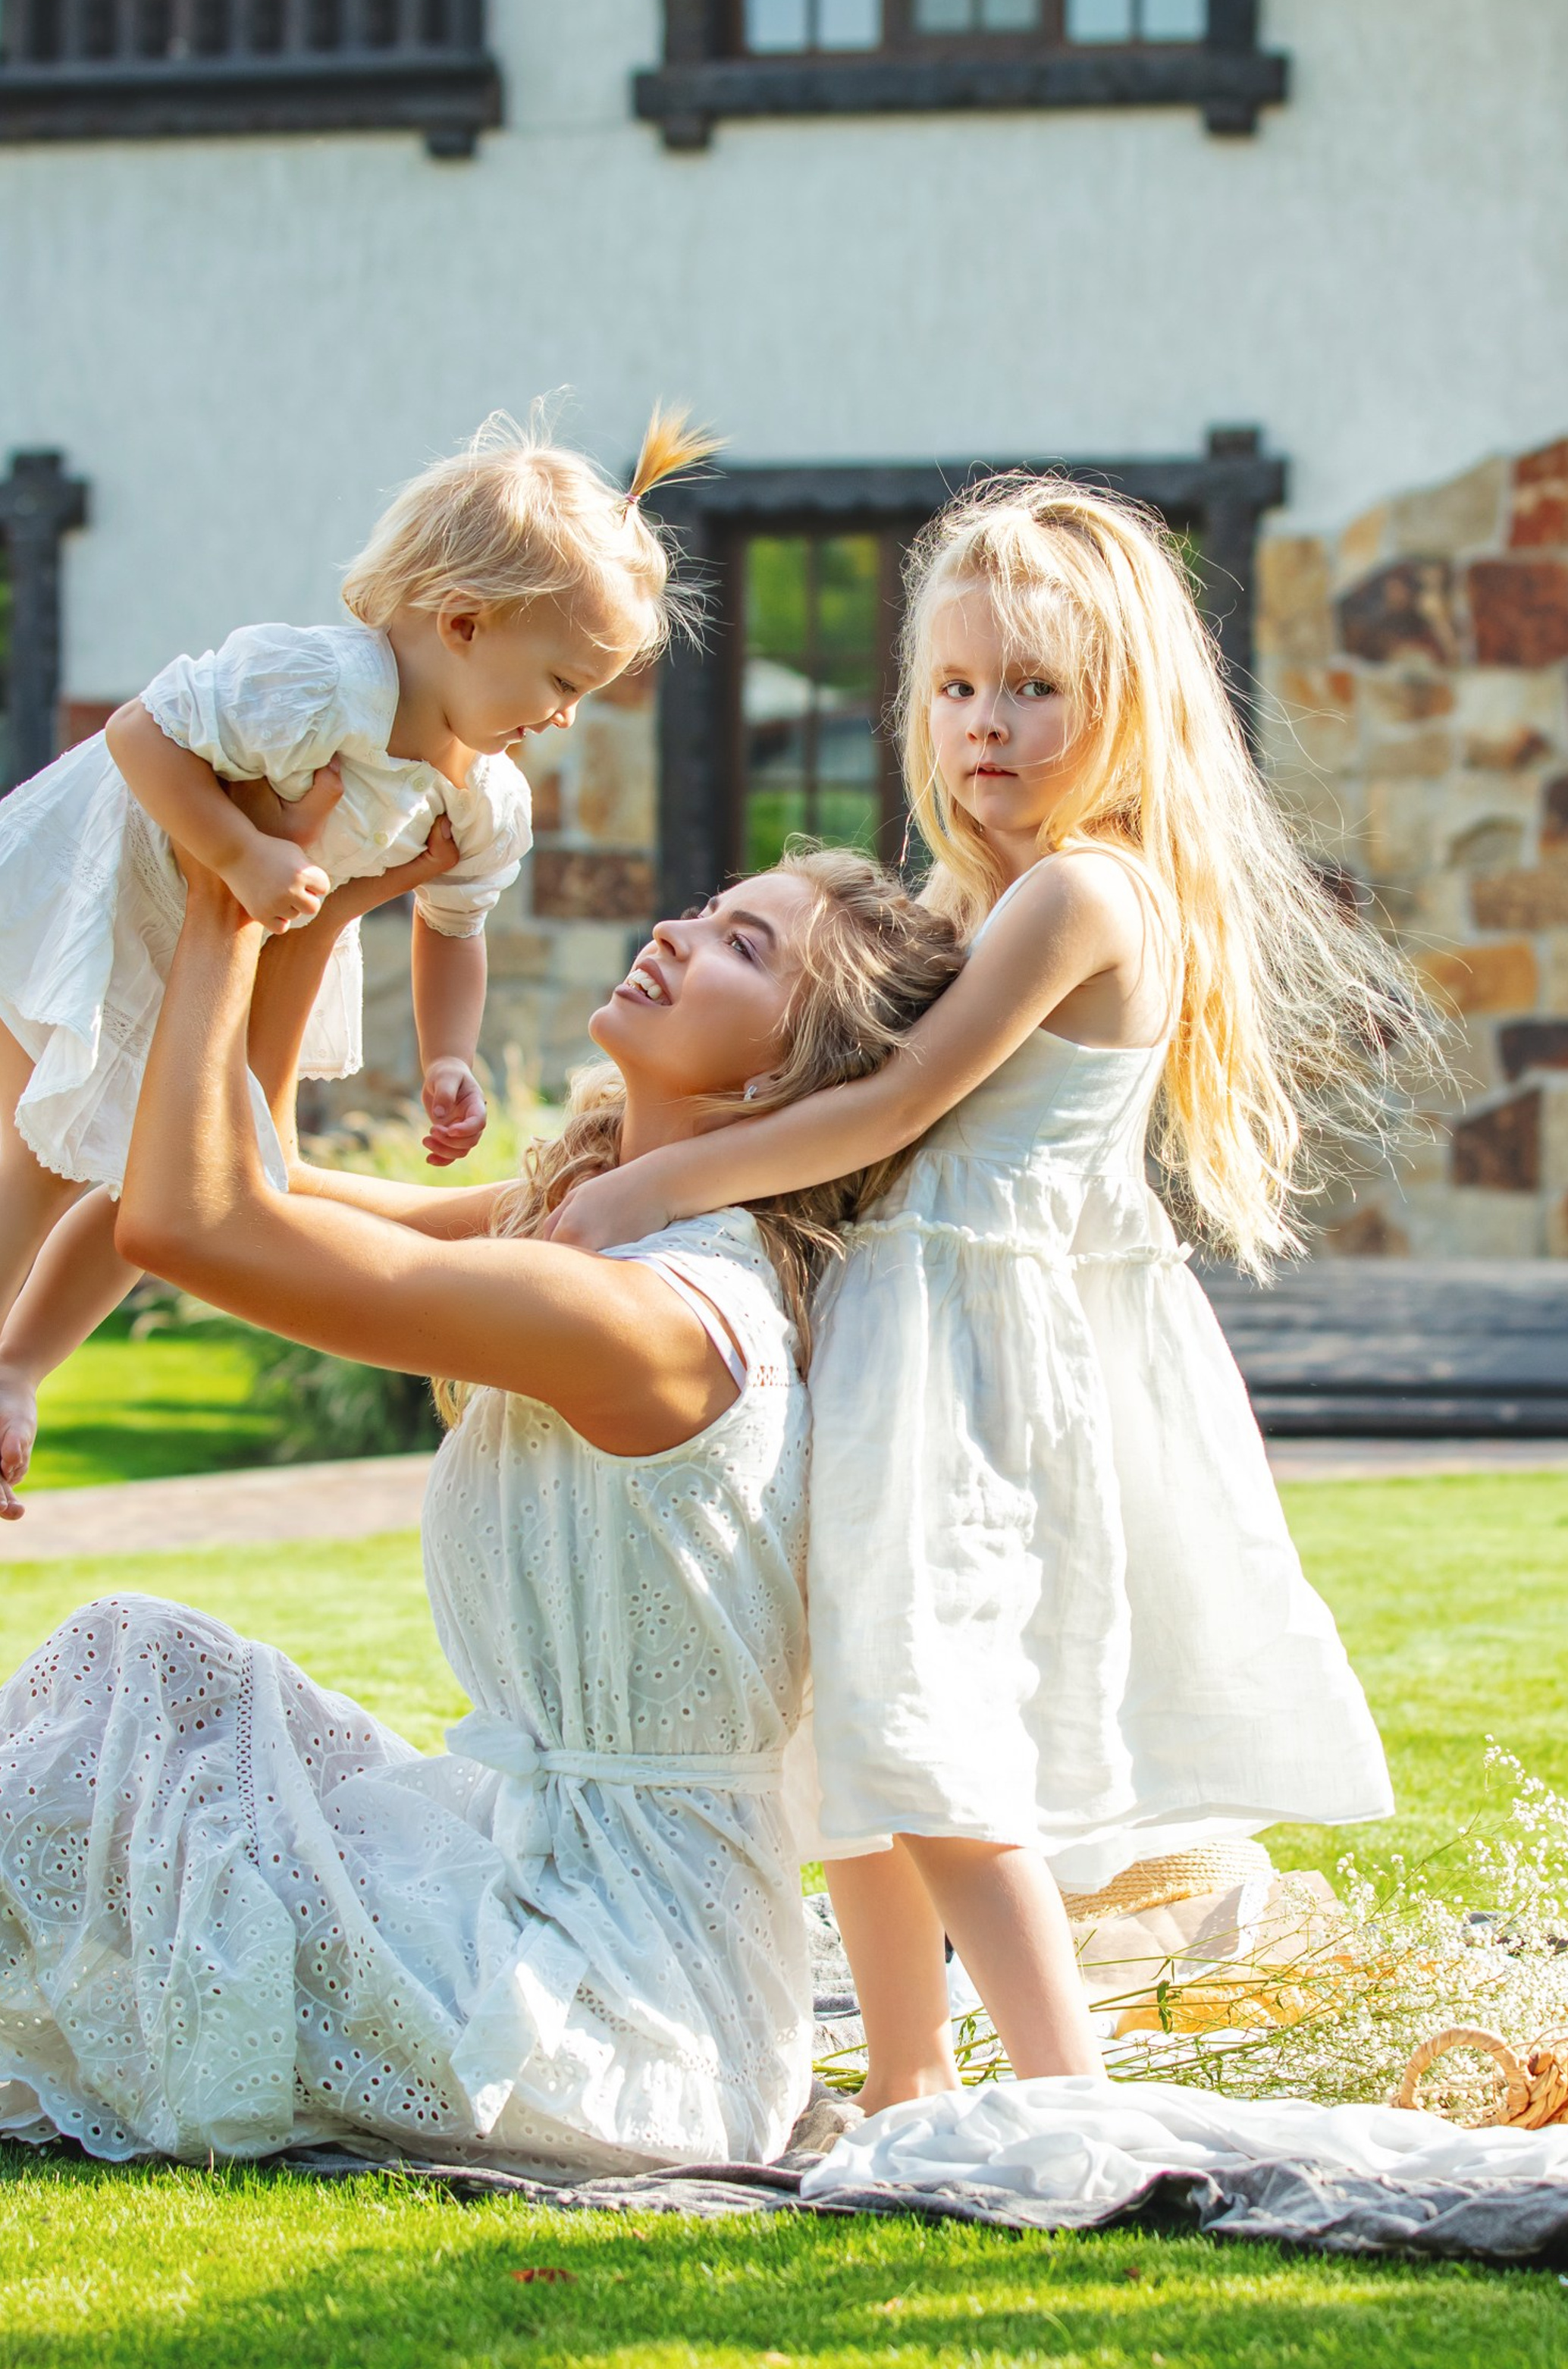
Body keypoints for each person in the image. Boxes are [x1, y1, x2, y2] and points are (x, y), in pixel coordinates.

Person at [545, 476, 1425, 2113]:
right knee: (854, 1727)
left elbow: (889, 1108)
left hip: (977, 1358)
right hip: (900, 1337)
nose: (985, 726)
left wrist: (648, 1185)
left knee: (934, 1728)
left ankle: (1056, 2088)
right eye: (954, 689)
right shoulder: (965, 897)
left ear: (1122, 710)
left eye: (1032, 688)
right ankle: (900, 2082)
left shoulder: (1081, 896)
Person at [0, 832, 961, 2172]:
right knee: (157, 1680)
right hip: (524, 1875)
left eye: (747, 946)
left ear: (784, 1079)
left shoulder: (656, 1316)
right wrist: (331, 903)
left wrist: (228, 905)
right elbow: (257, 1177)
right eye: (708, 905)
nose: (681, 932)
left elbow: (192, 1222)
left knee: (133, 1692)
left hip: (616, 2014)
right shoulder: (592, 1224)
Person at [0, 407, 707, 1509]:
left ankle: (21, 1363)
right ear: (463, 623)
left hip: (238, 932)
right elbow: (141, 737)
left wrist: (450, 1057)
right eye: (562, 682)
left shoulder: (486, 797)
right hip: (114, 892)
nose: (568, 718)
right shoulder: (319, 686)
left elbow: (454, 928)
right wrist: (235, 851)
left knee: (186, 1162)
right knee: (47, 1149)